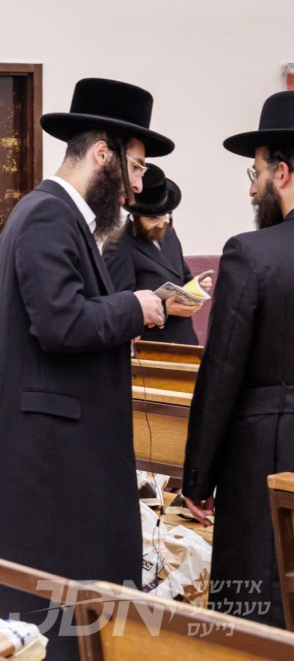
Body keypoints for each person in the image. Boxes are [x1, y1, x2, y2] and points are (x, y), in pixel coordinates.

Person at [0, 78, 170, 660]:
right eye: (135, 167)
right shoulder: (50, 215)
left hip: (48, 452)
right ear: (102, 153)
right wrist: (135, 307)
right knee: (48, 622)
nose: (137, 186)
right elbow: (61, 322)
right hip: (49, 459)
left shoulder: (53, 215)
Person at [182, 90, 294, 628]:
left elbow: (222, 372)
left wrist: (197, 478)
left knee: (257, 611)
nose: (252, 188)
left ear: (283, 173)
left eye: (256, 173)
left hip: (268, 456)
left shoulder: (252, 253)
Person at [104, 164, 211, 345]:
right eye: (153, 219)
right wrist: (164, 308)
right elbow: (119, 310)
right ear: (136, 215)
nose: (161, 224)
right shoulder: (118, 246)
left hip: (184, 339)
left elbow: (182, 276)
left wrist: (196, 285)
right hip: (151, 345)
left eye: (165, 215)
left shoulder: (169, 232)